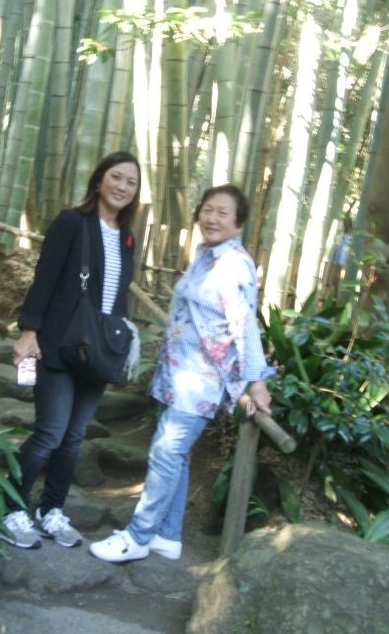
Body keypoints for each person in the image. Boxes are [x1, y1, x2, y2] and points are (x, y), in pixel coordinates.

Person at [89, 184, 273, 563]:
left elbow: (244, 325)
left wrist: (257, 381)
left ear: (238, 223)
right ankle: (167, 535)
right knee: (177, 456)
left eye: (223, 212)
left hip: (201, 379)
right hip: (182, 373)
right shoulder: (206, 256)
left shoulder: (233, 264)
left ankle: (138, 536)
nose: (212, 218)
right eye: (207, 210)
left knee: (164, 453)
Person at [0, 152, 141, 549]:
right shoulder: (71, 223)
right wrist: (29, 331)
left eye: (131, 182)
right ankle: (10, 509)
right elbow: (44, 279)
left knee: (75, 436)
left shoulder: (127, 235)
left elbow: (116, 298)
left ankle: (51, 510)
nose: (122, 186)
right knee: (49, 432)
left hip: (99, 349)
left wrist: (123, 341)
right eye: (116, 177)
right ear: (99, 180)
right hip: (60, 342)